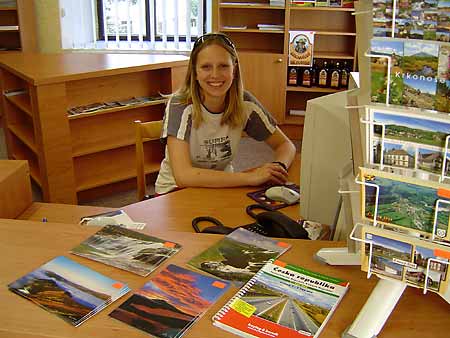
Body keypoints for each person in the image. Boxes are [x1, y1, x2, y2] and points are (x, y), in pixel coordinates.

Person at [155, 33, 296, 194]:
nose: (215, 74)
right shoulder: (180, 105)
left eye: (223, 66)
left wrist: (278, 168)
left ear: (234, 68)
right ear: (195, 71)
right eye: (206, 67)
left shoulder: (245, 103)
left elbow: (285, 145)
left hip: (222, 186)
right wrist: (250, 177)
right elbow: (183, 176)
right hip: (175, 190)